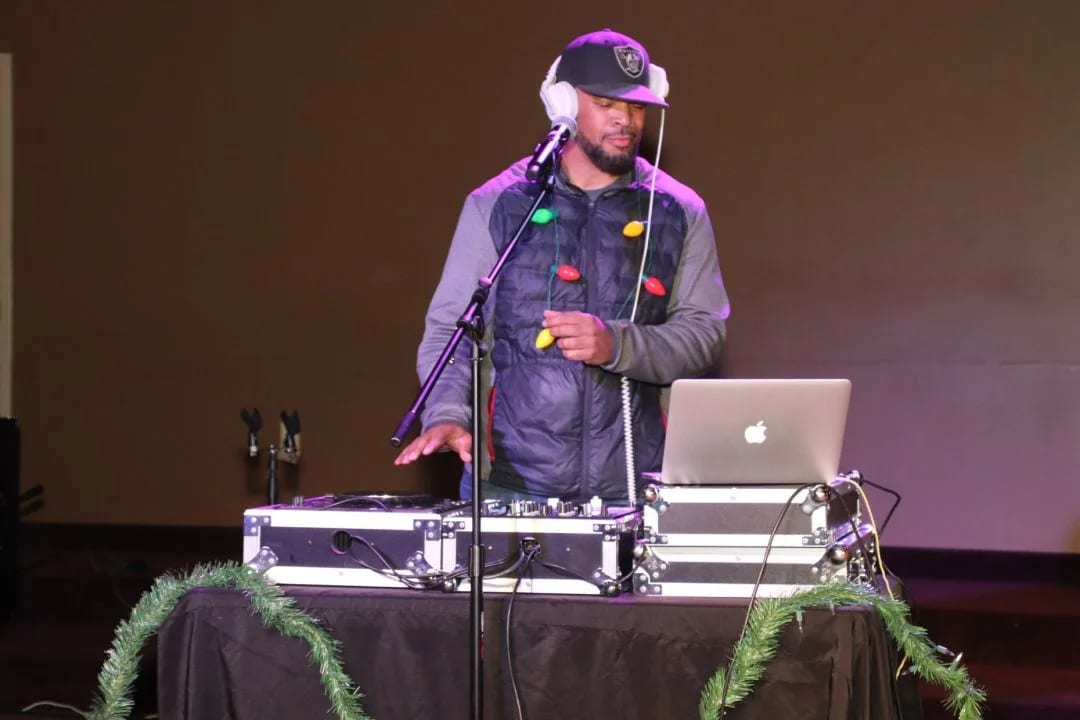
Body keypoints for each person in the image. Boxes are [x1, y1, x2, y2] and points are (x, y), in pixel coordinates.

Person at [394, 29, 730, 504]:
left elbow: (704, 333)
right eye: (606, 103)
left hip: (637, 489)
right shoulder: (499, 202)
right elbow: (454, 328)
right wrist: (447, 413)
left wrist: (616, 344)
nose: (626, 120)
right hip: (509, 489)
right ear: (564, 104)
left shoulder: (679, 209)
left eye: (637, 107)